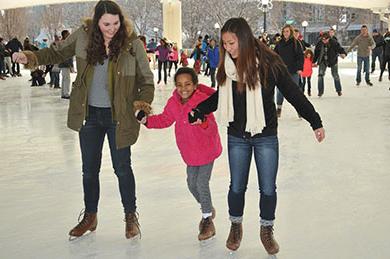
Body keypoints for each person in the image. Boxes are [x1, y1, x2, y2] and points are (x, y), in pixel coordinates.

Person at [13, 0, 154, 240]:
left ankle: (130, 216)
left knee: (122, 169)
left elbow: (147, 80)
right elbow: (56, 52)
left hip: (118, 117)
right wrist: (30, 58)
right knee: (89, 171)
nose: (112, 28)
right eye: (106, 24)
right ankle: (90, 216)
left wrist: (141, 106)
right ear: (97, 22)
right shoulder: (84, 37)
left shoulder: (131, 43)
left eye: (116, 23)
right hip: (89, 115)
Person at [188, 17, 325, 255]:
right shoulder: (227, 66)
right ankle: (236, 226)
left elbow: (292, 93)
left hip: (265, 135)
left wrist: (314, 120)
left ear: (244, 38)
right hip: (237, 135)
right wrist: (199, 110)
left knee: (268, 188)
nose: (228, 48)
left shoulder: (269, 63)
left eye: (232, 43)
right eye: (225, 44)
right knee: (237, 186)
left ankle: (266, 229)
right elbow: (220, 97)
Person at [136, 67, 222, 241]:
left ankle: (207, 220)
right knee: (191, 184)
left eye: (188, 84)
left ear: (195, 85)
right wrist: (147, 121)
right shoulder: (174, 102)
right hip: (189, 152)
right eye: (179, 85)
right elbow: (165, 119)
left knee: (201, 183)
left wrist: (202, 121)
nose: (184, 88)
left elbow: (212, 128)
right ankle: (208, 208)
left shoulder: (202, 101)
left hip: (206, 149)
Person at [274, 25, 304, 117]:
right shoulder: (279, 43)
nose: (285, 33)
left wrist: (299, 68)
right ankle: (278, 108)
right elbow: (275, 55)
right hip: (281, 71)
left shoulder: (296, 43)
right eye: (284, 31)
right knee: (280, 91)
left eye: (287, 31)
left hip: (293, 71)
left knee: (294, 91)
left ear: (290, 32)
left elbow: (300, 57)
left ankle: (299, 110)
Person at [313, 32, 347, 97]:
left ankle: (338, 90)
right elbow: (316, 53)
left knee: (335, 75)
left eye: (325, 39)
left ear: (329, 39)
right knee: (320, 75)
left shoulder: (334, 42)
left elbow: (339, 48)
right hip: (323, 60)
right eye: (323, 39)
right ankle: (320, 91)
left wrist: (344, 53)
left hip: (333, 60)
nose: (324, 41)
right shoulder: (319, 43)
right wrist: (313, 62)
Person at [58, 30, 74, 98]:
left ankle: (63, 93)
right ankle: (66, 93)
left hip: (62, 63)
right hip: (65, 64)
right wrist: (70, 65)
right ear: (65, 35)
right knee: (67, 79)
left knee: (64, 79)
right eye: (68, 34)